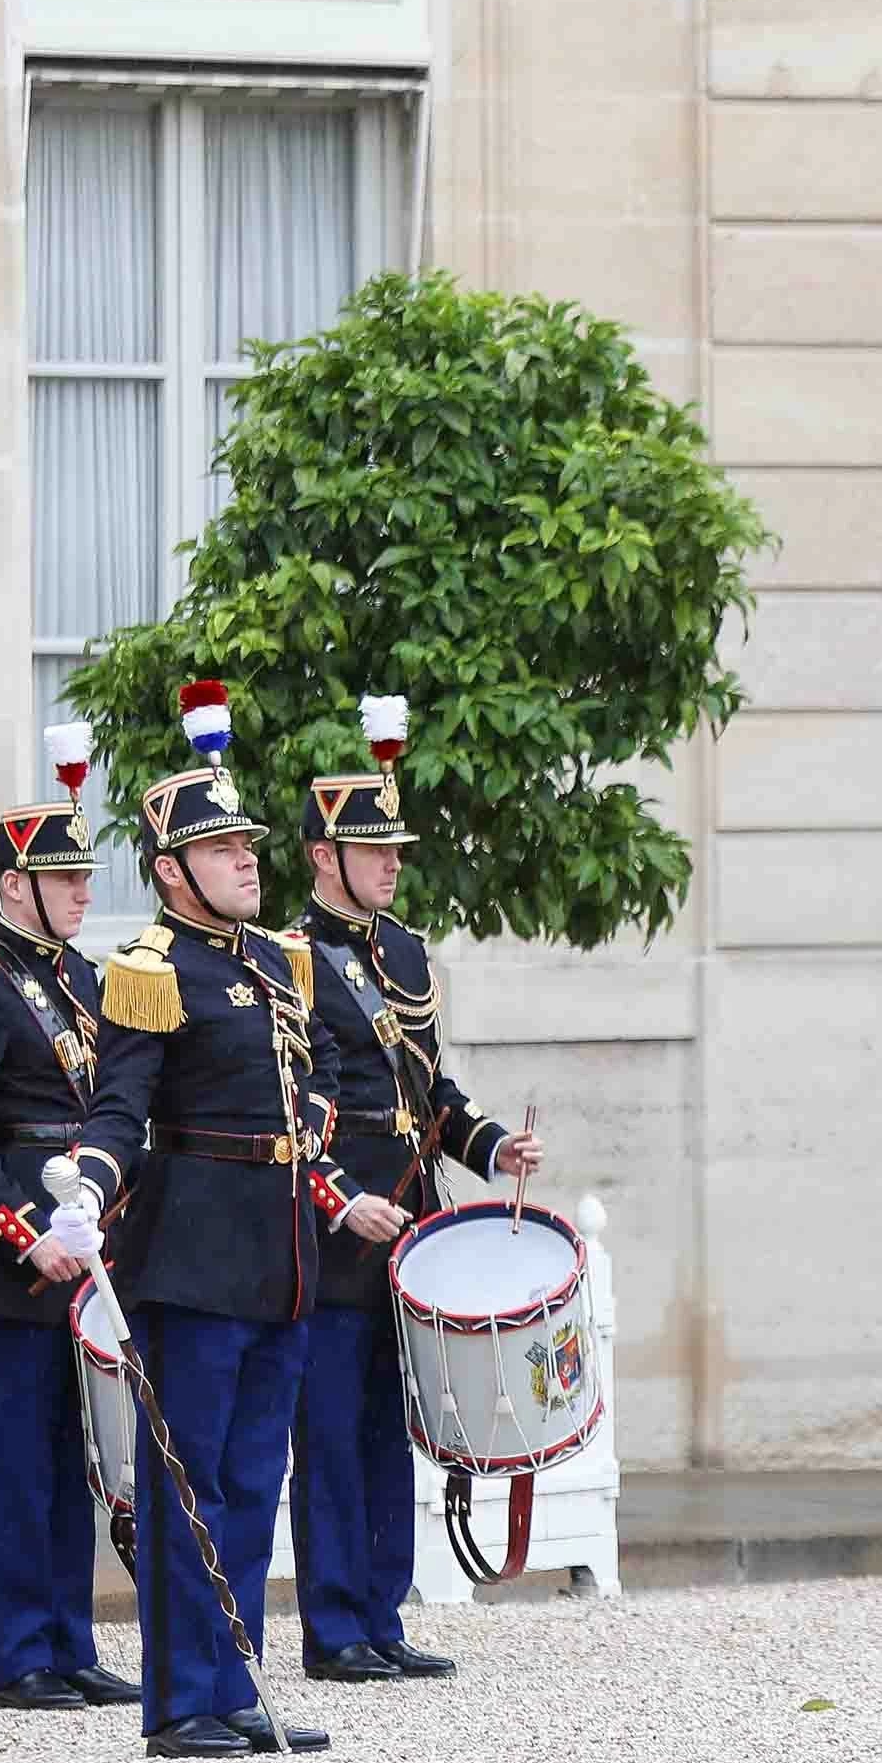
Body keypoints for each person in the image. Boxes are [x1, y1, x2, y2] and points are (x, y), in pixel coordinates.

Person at [54, 680, 385, 1760]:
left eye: (246, 843)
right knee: (186, 1480)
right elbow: (117, 1106)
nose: (247, 858)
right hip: (194, 1248)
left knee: (253, 1479)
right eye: (222, 847)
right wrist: (87, 1191)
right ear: (167, 870)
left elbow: (327, 1053)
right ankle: (181, 1699)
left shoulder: (273, 963)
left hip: (282, 1247)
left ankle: (237, 1683)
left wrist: (322, 1103)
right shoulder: (148, 972)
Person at [288, 697, 539, 1684]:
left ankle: (381, 1611)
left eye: (394, 848)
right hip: (340, 1222)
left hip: (413, 1222)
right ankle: (332, 1626)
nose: (392, 863)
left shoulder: (401, 949)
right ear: (322, 857)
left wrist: (489, 1149)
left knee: (393, 1426)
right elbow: (295, 1102)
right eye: (372, 849)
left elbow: (428, 1091)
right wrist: (339, 1193)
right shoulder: (290, 959)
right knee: (332, 1432)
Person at [0, 779, 136, 1713]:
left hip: (79, 1244)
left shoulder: (79, 978)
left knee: (67, 1453)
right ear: (14, 888)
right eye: (62, 877)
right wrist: (23, 1232)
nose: (83, 891)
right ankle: (18, 1653)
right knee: (11, 1458)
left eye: (85, 875)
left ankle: (70, 1639)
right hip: (5, 1257)